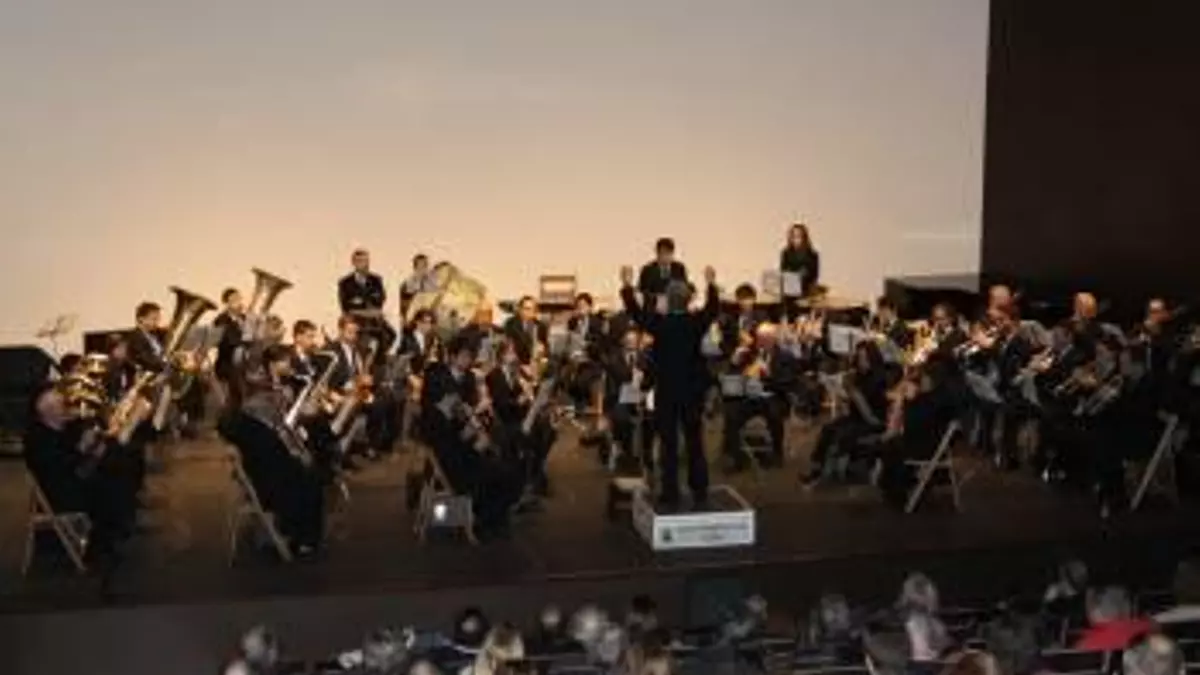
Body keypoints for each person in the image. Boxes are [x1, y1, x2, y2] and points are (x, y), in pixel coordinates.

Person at [620, 262, 719, 508]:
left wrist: (627, 285)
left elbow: (635, 311)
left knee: (669, 444)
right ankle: (700, 492)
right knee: (695, 442)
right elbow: (712, 309)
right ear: (688, 300)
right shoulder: (695, 323)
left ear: (667, 300)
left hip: (666, 392)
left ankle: (670, 493)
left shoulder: (660, 324)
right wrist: (711, 283)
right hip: (692, 391)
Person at [338, 248, 397, 353]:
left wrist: (362, 304)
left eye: (366, 261)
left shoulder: (376, 279)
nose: (364, 264)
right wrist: (363, 311)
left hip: (375, 319)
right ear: (354, 263)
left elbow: (380, 299)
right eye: (360, 261)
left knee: (391, 334)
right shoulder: (345, 283)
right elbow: (346, 307)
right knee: (363, 341)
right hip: (357, 320)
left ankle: (378, 358)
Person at [780, 223, 820, 320]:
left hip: (805, 293)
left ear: (804, 238)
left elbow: (814, 275)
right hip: (789, 294)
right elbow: (783, 271)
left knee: (803, 319)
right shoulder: (786, 253)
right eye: (793, 236)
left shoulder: (812, 254)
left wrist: (803, 276)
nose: (795, 240)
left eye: (798, 236)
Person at [637, 238, 689, 305]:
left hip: (674, 305)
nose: (666, 257)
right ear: (657, 253)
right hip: (654, 305)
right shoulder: (648, 270)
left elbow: (684, 286)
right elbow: (643, 291)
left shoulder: (679, 268)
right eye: (663, 253)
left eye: (669, 253)